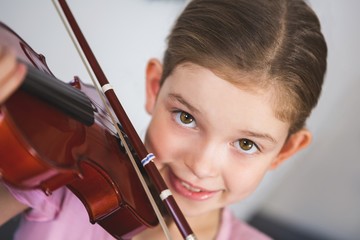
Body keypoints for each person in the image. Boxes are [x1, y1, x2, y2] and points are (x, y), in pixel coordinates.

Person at [0, 0, 327, 239]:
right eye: (186, 117)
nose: (201, 166)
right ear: (155, 87)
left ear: (285, 151)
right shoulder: (67, 171)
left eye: (246, 143)